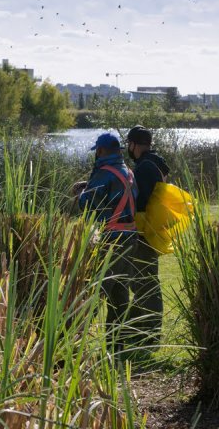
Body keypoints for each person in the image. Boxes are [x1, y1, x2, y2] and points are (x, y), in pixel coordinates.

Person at [75, 132, 138, 353]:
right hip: (130, 239)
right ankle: (116, 347)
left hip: (110, 241)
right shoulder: (128, 172)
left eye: (97, 151)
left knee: (95, 294)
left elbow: (87, 204)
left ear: (101, 151)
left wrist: (81, 192)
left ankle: (74, 345)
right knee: (120, 295)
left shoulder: (103, 173)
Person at [126, 125, 170, 347]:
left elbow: (139, 201)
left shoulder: (144, 167)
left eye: (129, 144)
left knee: (144, 282)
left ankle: (150, 335)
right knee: (143, 280)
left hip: (143, 232)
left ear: (134, 144)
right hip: (152, 230)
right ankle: (134, 330)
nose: (128, 149)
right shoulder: (156, 164)